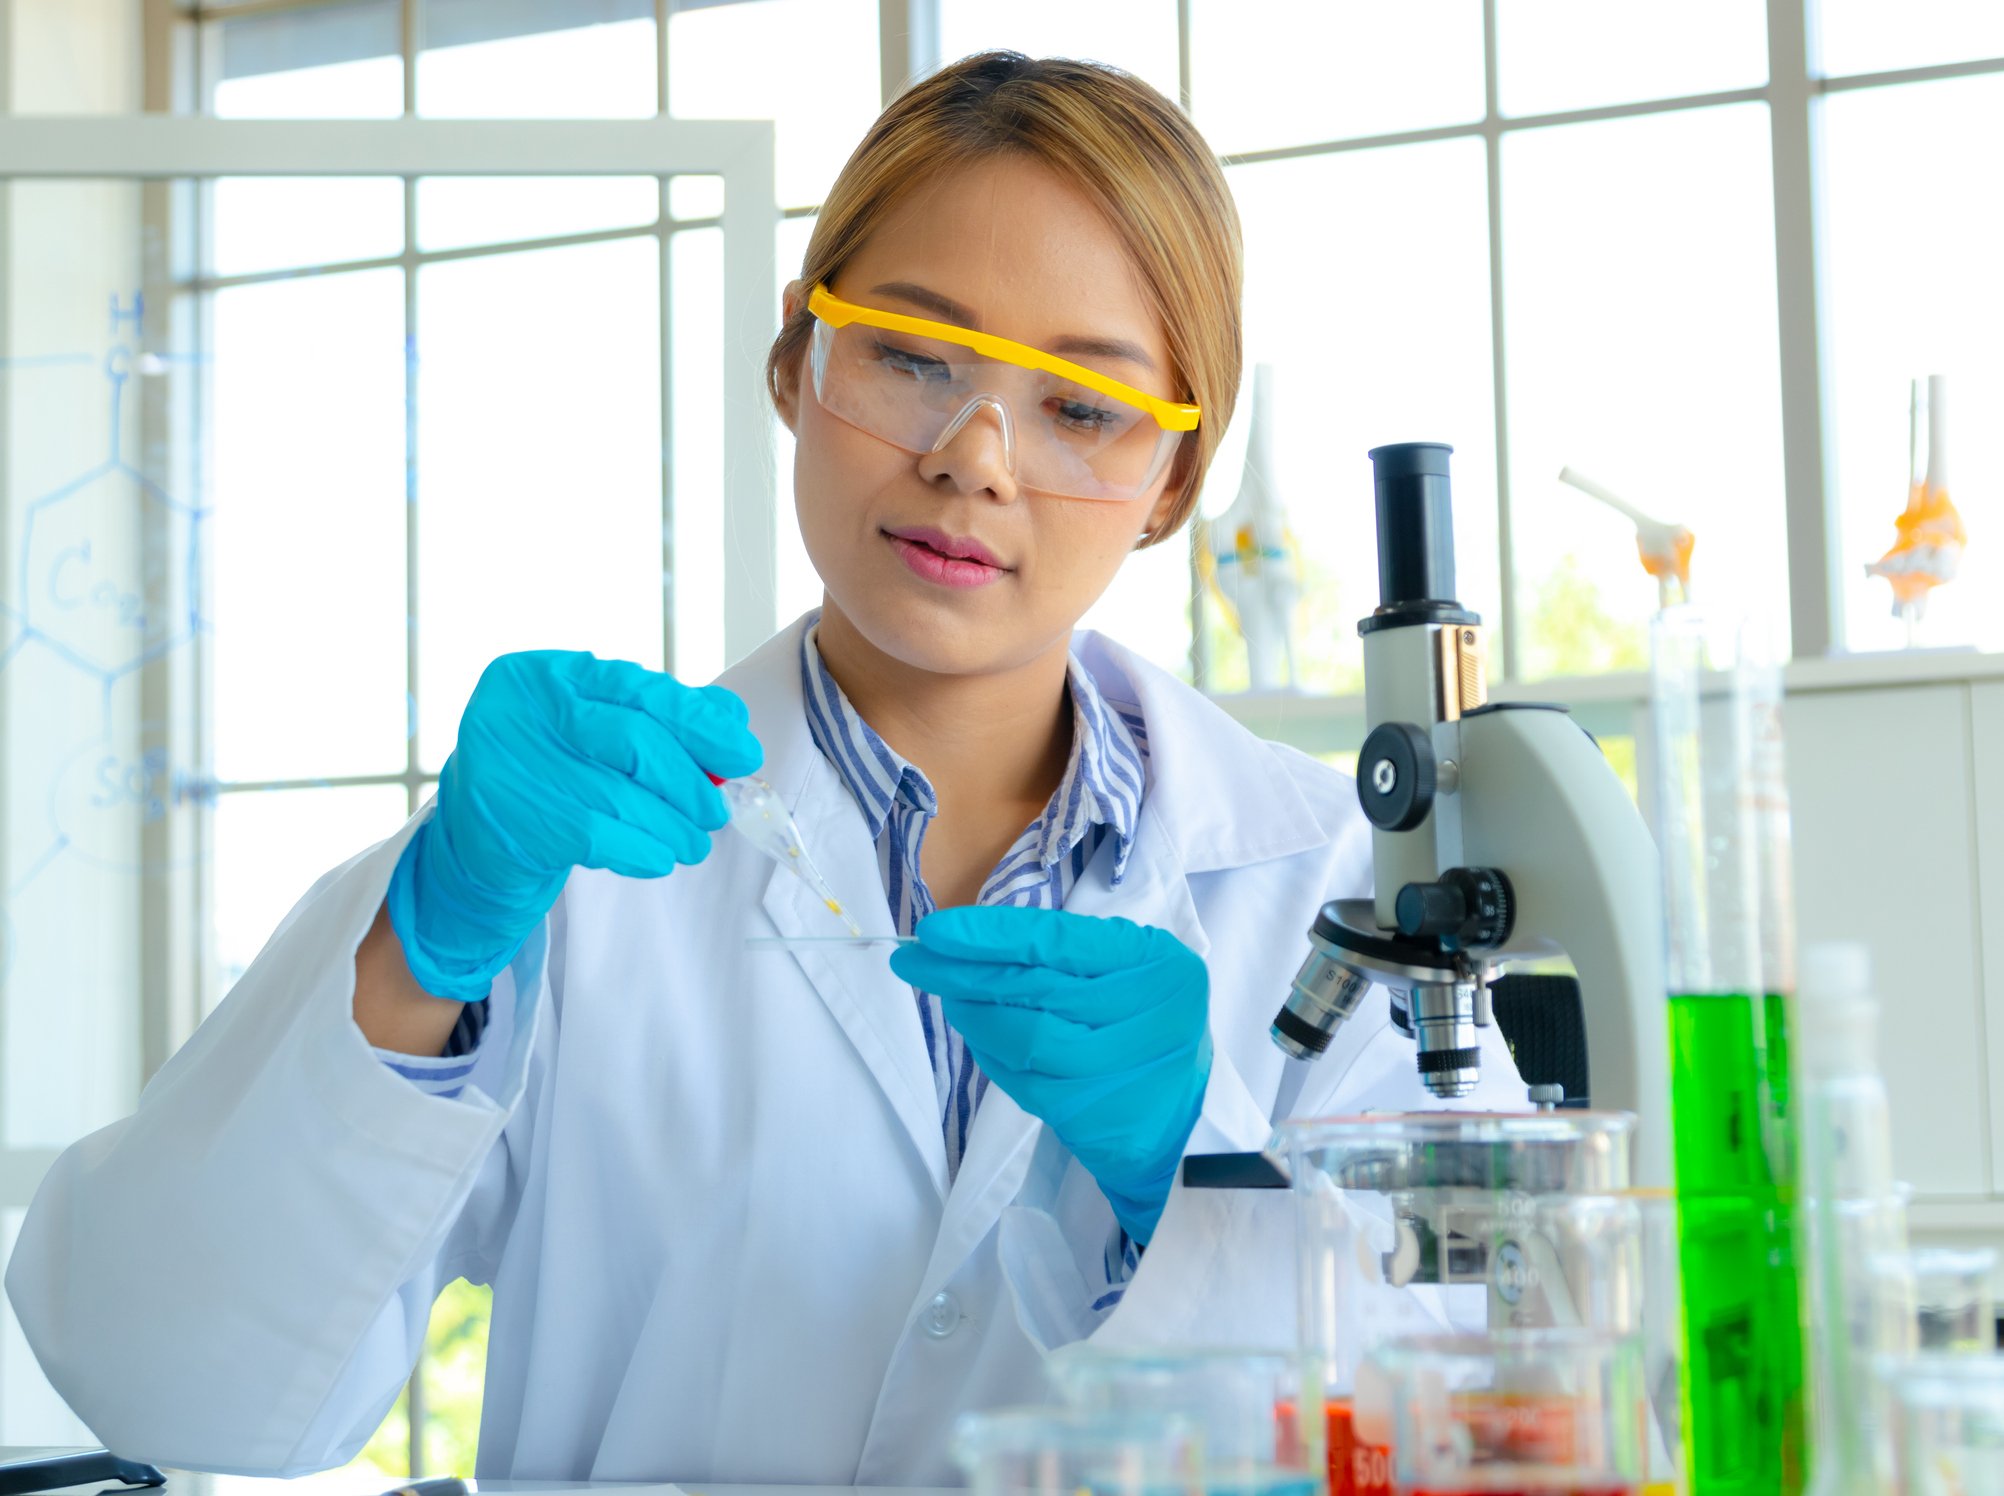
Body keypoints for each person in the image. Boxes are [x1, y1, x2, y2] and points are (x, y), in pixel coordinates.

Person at [6, 51, 1525, 1485]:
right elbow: (166, 1374)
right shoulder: (560, 857)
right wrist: (424, 936)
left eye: (1079, 406)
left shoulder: (1327, 889)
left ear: (1172, 479)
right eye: (915, 360)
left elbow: (1489, 1411)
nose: (976, 458)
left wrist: (1189, 1169)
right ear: (798, 356)